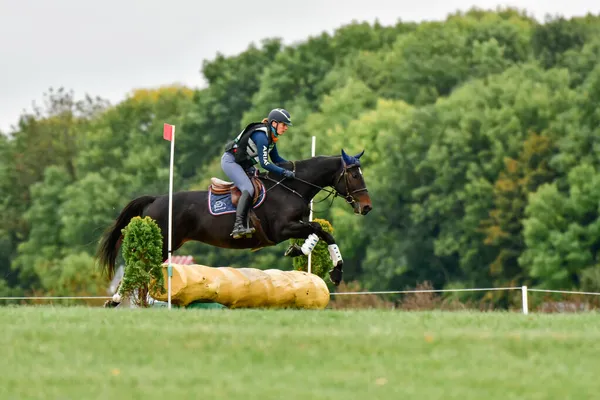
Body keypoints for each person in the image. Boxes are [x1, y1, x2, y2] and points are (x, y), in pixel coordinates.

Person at [221, 108, 296, 239]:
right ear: (274, 123)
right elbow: (265, 164)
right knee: (248, 188)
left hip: (243, 164)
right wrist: (284, 172)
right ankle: (238, 226)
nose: (285, 128)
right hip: (230, 161)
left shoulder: (271, 137)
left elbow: (277, 160)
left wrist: (294, 167)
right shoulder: (261, 136)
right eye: (284, 124)